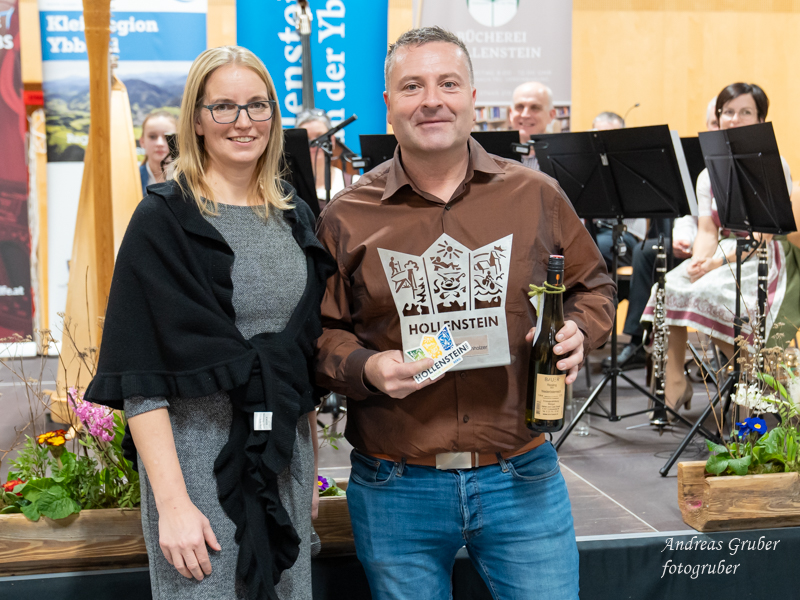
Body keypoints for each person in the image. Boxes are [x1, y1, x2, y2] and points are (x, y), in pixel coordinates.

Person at [315, 26, 615, 600]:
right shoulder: (346, 215)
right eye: (412, 86)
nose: (432, 100)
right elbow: (322, 333)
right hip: (395, 484)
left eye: (448, 84)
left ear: (473, 97)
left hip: (521, 475)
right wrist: (368, 368)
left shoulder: (537, 195)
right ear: (388, 104)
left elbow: (593, 286)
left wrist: (581, 328)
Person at [85, 46, 335, 600]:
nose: (243, 122)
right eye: (224, 107)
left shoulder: (294, 214)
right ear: (196, 120)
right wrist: (173, 504)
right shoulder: (162, 220)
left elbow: (298, 360)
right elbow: (140, 379)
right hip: (195, 476)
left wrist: (310, 469)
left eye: (257, 105)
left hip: (283, 464)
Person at [642, 82, 796, 413]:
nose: (734, 119)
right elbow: (707, 231)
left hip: (763, 255)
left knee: (713, 294)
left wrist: (714, 265)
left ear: (760, 120)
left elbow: (763, 236)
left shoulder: (774, 164)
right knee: (667, 287)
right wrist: (700, 261)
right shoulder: (707, 173)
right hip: (723, 251)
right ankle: (676, 381)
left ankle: (757, 378)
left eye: (745, 112)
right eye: (728, 112)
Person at [604, 98, 720, 370]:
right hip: (698, 241)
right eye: (714, 122)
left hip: (728, 249)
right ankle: (638, 340)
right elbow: (691, 213)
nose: (719, 127)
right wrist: (683, 239)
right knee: (647, 251)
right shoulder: (698, 163)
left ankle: (722, 351)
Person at [587, 111, 645, 272]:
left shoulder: (631, 164)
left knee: (587, 252)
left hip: (624, 234)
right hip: (591, 231)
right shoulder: (585, 163)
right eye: (597, 136)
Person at [295, 110, 358, 209]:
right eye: (307, 139)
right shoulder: (289, 188)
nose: (315, 144)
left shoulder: (354, 184)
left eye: (320, 137)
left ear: (332, 140)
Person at [508, 81, 556, 170]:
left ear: (551, 115)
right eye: (520, 107)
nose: (525, 115)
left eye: (535, 107)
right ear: (510, 113)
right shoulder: (492, 157)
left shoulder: (565, 160)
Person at [138, 110, 178, 197]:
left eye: (167, 137)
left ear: (177, 140)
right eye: (152, 136)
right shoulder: (132, 179)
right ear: (142, 142)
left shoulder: (190, 180)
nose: (160, 143)